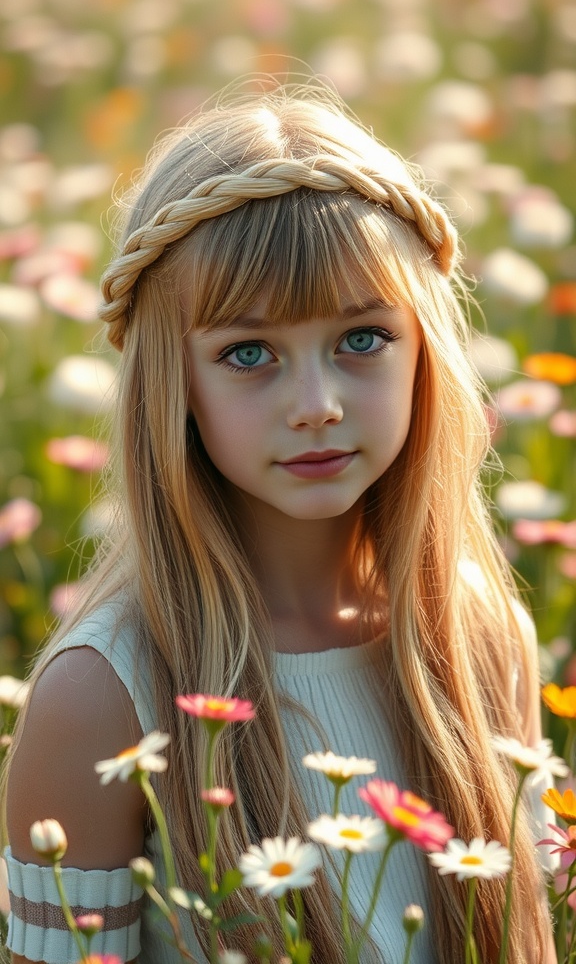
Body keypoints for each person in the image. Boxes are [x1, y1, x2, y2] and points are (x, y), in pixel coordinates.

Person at [3, 79, 555, 964]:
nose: (317, 404)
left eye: (362, 339)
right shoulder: (103, 698)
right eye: (247, 353)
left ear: (427, 352)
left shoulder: (480, 634)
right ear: (170, 385)